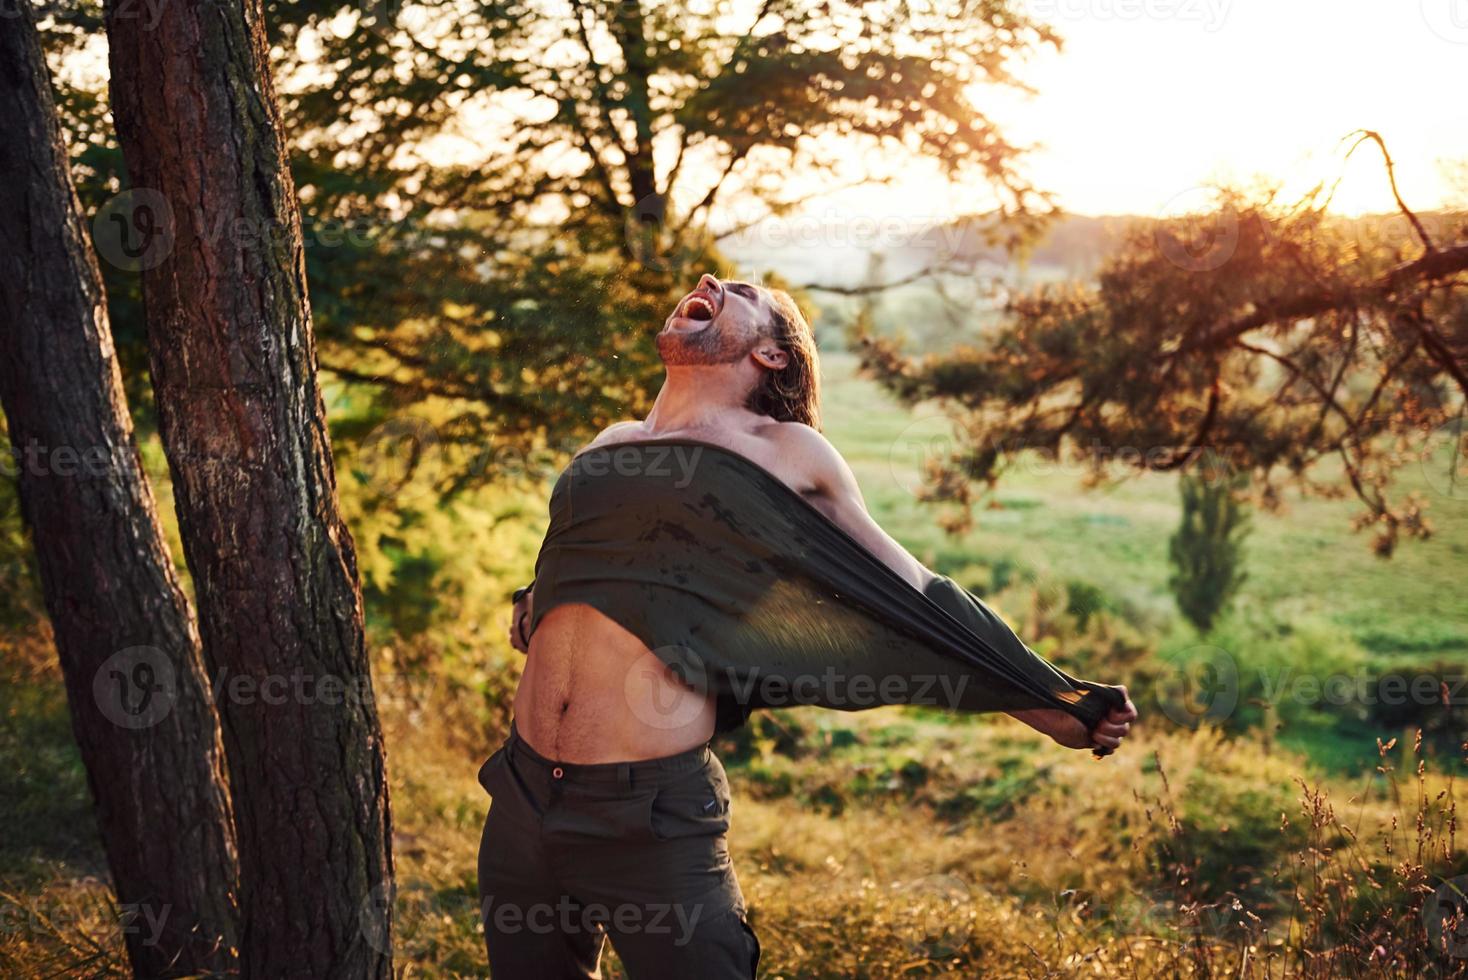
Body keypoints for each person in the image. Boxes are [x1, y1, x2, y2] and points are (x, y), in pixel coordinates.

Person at [477, 273, 1139, 978]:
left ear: (772, 355)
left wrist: (1053, 701)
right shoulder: (612, 442)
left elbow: (913, 593)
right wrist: (532, 601)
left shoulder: (786, 450)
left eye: (739, 291)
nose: (708, 281)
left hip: (649, 815)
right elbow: (583, 561)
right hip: (521, 797)